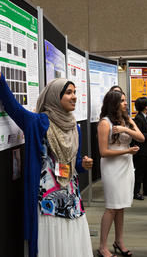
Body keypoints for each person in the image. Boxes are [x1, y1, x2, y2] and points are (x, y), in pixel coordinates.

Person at [0, 73, 93, 257]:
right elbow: (14, 108)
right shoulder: (39, 122)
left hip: (72, 199)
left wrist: (83, 164)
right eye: (68, 92)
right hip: (47, 203)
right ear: (54, 96)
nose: (74, 96)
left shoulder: (75, 128)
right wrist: (1, 80)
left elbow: (74, 163)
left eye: (75, 92)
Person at [97, 91, 144, 257]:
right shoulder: (105, 122)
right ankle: (102, 246)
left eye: (125, 100)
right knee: (111, 207)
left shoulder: (126, 120)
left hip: (126, 165)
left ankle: (119, 241)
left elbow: (141, 138)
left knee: (121, 206)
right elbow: (103, 152)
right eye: (122, 101)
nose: (126, 103)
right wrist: (127, 151)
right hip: (112, 167)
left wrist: (126, 128)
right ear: (114, 103)